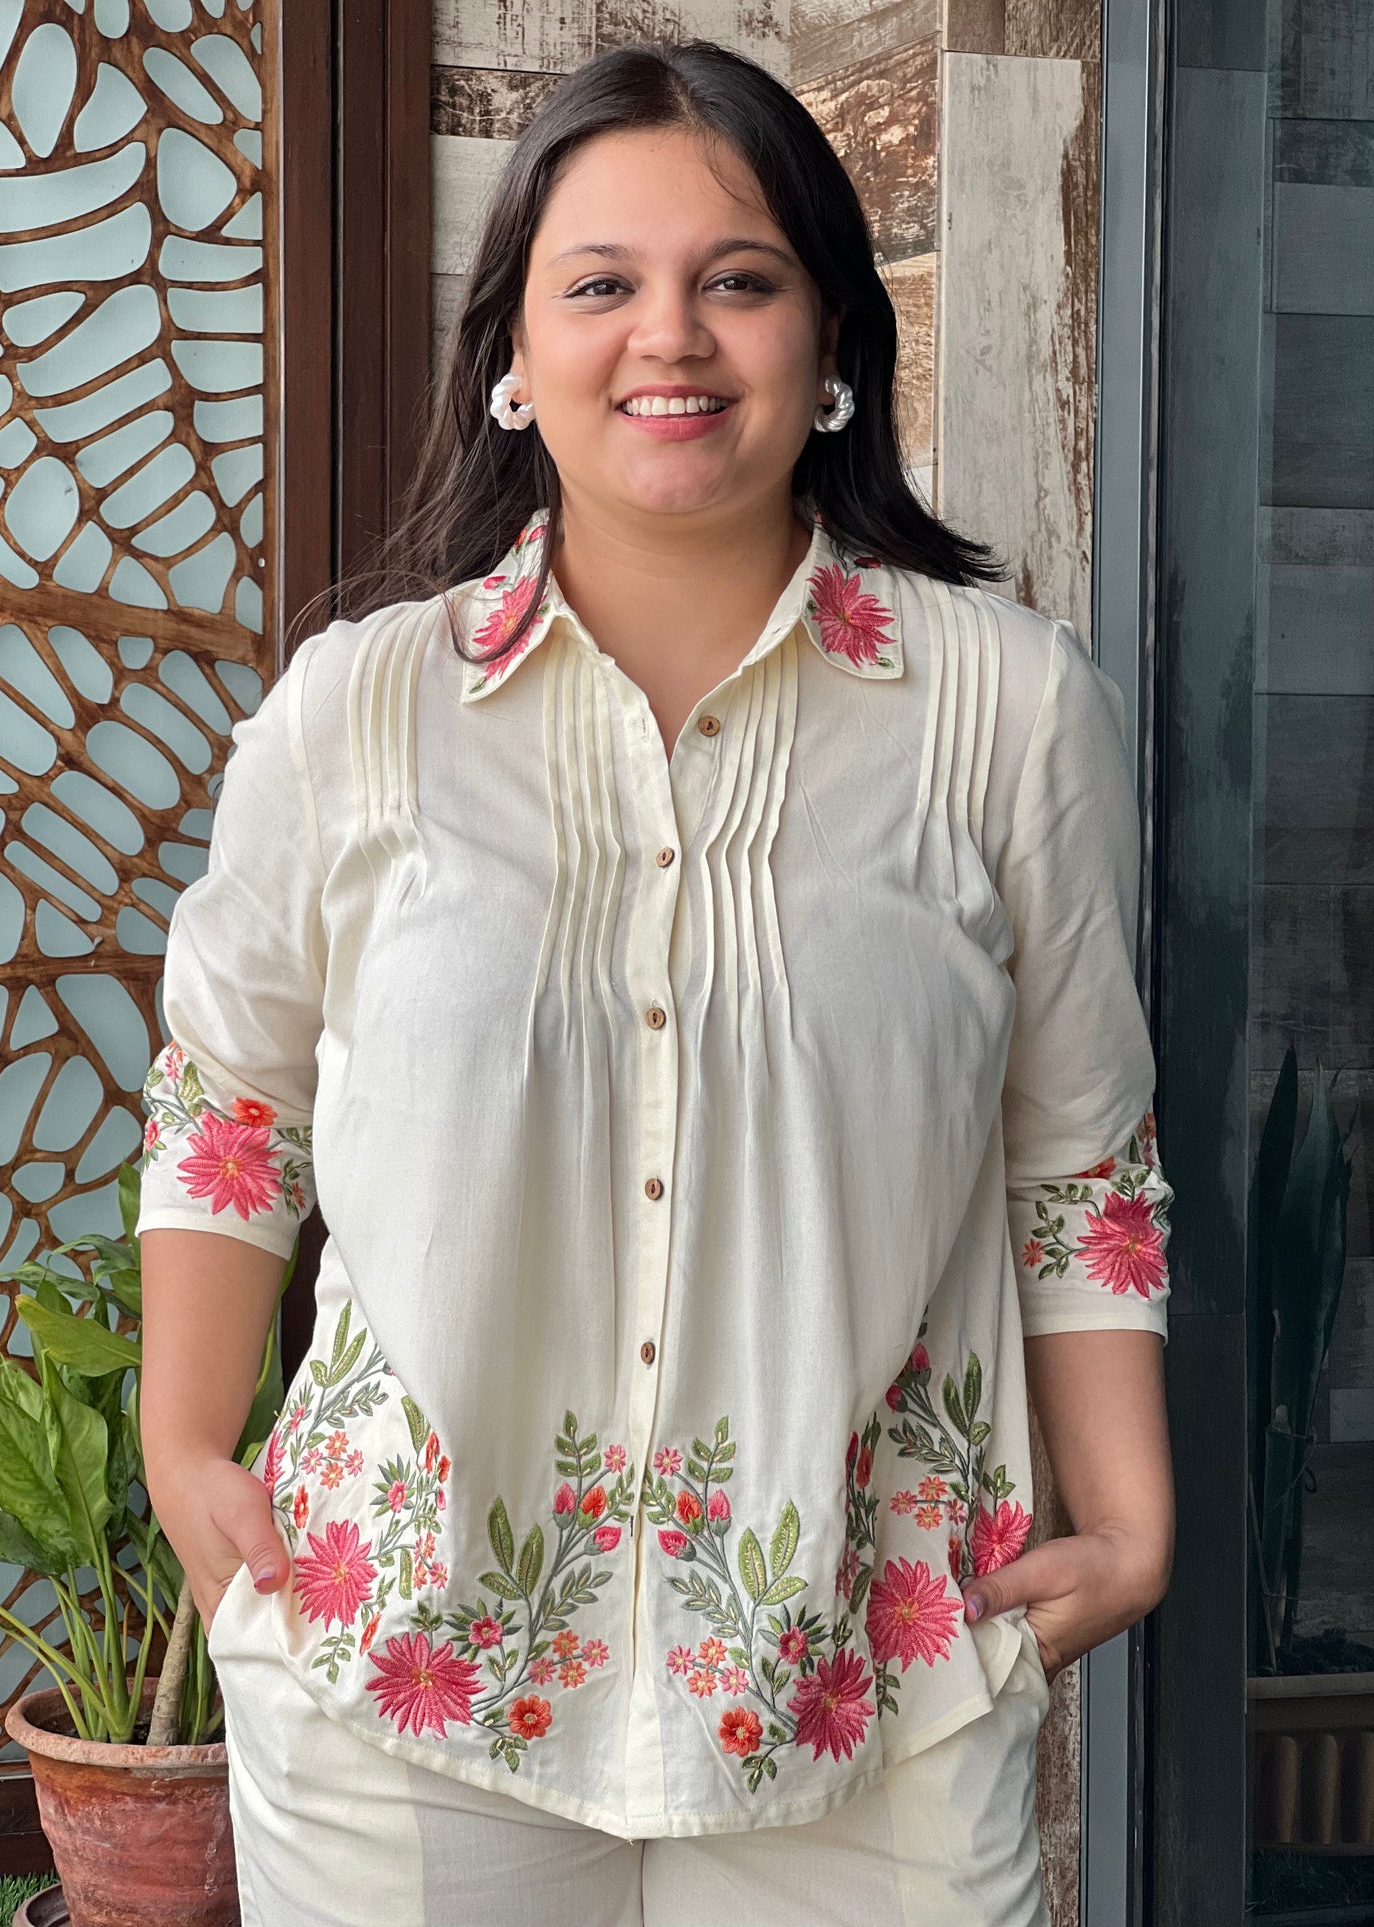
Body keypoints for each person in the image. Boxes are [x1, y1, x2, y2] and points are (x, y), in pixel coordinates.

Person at [138, 37, 1176, 1927]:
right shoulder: (354, 714)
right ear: (513, 363)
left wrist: (1129, 1519)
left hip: (876, 1689)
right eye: (600, 284)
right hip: (401, 1688)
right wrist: (189, 1450)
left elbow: (1079, 1150)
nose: (669, 337)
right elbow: (231, 1100)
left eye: (739, 279)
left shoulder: (1008, 710)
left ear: (831, 341)